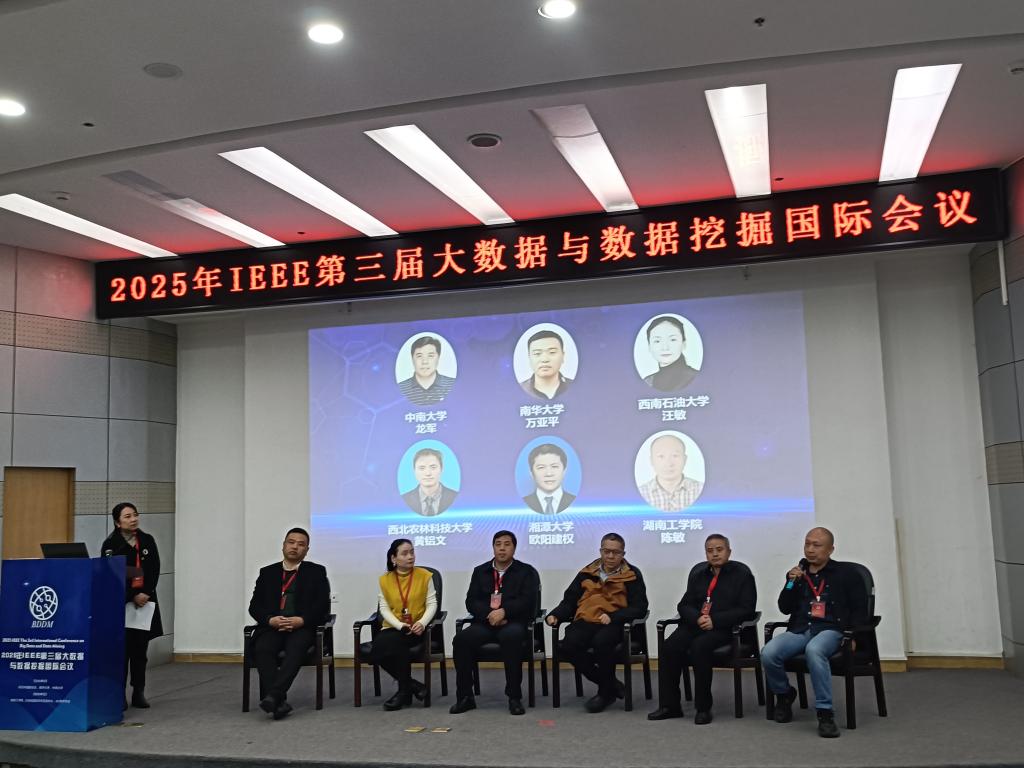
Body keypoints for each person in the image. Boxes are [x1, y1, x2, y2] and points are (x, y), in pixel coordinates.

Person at [761, 527, 868, 738]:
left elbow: (860, 609)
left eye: (816, 545)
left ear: (830, 549)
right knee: (769, 652)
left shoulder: (846, 574)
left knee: (815, 649)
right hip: (801, 628)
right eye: (807, 544)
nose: (810, 549)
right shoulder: (798, 574)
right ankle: (784, 694)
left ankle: (825, 713)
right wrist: (791, 583)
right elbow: (784, 608)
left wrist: (854, 635)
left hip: (831, 629)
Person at [648, 534, 756, 725]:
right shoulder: (699, 575)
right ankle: (670, 706)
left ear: (729, 552)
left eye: (719, 550)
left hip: (725, 628)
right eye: (710, 550)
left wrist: (715, 620)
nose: (715, 554)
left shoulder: (742, 575)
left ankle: (703, 708)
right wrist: (697, 618)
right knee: (669, 647)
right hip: (696, 624)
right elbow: (684, 605)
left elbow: (747, 609)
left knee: (700, 647)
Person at [546, 533, 648, 713]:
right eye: (606, 551)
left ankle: (605, 694)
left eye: (616, 552)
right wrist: (556, 615)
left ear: (623, 554)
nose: (610, 556)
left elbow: (640, 607)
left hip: (614, 623)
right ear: (600, 551)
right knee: (568, 645)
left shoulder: (631, 575)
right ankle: (611, 684)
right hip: (586, 620)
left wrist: (614, 616)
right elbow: (570, 601)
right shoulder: (587, 572)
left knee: (602, 642)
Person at [450, 531, 539, 716]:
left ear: (514, 548)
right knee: (461, 640)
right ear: (493, 547)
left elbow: (528, 601)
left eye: (507, 544)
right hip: (485, 622)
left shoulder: (526, 571)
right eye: (498, 544)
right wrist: (489, 614)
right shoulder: (480, 571)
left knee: (511, 637)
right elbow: (471, 601)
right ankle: (465, 697)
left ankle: (514, 697)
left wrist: (504, 612)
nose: (502, 548)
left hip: (513, 622)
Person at [247, 527, 330, 720]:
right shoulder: (267, 573)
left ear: (307, 550)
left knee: (296, 648)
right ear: (283, 546)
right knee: (263, 648)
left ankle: (274, 696)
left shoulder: (316, 572)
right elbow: (254, 606)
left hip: (301, 627)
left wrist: (301, 620)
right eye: (291, 542)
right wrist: (270, 620)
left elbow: (322, 606)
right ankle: (278, 700)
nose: (295, 547)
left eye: (301, 544)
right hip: (272, 626)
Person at [101, 501, 163, 710]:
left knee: (140, 651)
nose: (133, 519)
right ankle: (119, 694)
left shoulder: (147, 540)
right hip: (122, 604)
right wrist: (132, 595)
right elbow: (112, 574)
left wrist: (145, 592)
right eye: (127, 516)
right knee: (122, 653)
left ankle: (139, 691)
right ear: (117, 522)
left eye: (135, 515)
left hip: (145, 602)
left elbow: (154, 569)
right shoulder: (111, 545)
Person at [372, 538, 437, 710]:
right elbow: (384, 608)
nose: (410, 556)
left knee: (395, 644)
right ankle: (412, 686)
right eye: (405, 553)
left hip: (417, 629)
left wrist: (422, 623)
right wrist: (400, 625)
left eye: (412, 552)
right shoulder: (385, 579)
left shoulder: (425, 576)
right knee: (378, 649)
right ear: (394, 558)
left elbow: (432, 604)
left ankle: (403, 692)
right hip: (395, 627)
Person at [638, 434, 704, 512]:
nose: (669, 463)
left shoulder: (701, 489)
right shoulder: (641, 493)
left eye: (675, 456)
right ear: (651, 461)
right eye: (661, 456)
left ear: (685, 459)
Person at [642, 315, 699, 391]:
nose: (665, 347)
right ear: (649, 347)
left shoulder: (697, 377)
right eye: (657, 341)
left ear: (684, 344)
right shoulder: (647, 381)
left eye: (672, 339)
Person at [398, 335, 455, 406]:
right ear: (412, 359)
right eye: (419, 356)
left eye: (430, 356)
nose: (425, 362)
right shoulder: (401, 388)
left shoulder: (452, 385)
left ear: (438, 358)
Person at [401, 447, 458, 516]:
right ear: (414, 471)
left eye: (433, 467)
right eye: (422, 468)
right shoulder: (404, 499)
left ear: (441, 469)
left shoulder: (456, 497)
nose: (428, 473)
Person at [522, 442, 576, 514]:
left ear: (564, 471)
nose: (549, 474)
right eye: (541, 467)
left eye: (554, 466)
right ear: (531, 473)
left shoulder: (577, 502)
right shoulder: (521, 504)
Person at [520, 329, 573, 400]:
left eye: (552, 352)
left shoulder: (576, 386)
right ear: (529, 358)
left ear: (563, 356)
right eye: (537, 353)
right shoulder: (518, 389)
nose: (544, 359)